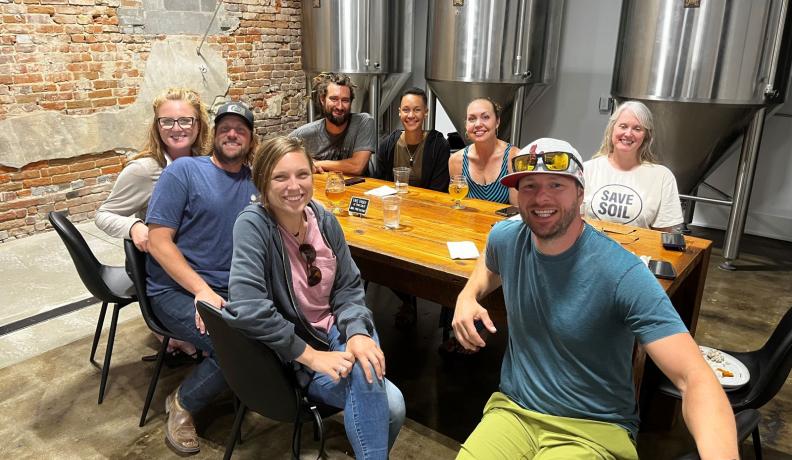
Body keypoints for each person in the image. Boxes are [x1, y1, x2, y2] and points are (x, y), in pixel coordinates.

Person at [452, 137, 738, 459]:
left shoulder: (622, 273)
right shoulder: (506, 237)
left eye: (556, 185)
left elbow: (694, 377)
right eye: (529, 185)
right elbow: (489, 263)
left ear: (580, 192)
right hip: (514, 412)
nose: (541, 197)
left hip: (591, 429)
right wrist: (468, 295)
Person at [224, 136, 405, 459]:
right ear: (263, 182)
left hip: (338, 332)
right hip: (294, 354)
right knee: (391, 405)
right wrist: (310, 356)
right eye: (280, 177)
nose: (294, 186)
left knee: (375, 379)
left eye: (302, 174)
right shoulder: (253, 225)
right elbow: (249, 307)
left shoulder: (323, 219)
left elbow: (349, 287)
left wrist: (359, 333)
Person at [145, 101, 259, 454]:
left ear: (251, 139)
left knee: (277, 329)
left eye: (240, 129)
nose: (232, 134)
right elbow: (157, 241)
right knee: (237, 349)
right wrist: (202, 291)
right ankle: (182, 404)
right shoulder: (184, 172)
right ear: (214, 134)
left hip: (229, 291)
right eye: (225, 127)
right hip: (173, 290)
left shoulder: (255, 181)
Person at [95, 86, 210, 362]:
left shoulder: (205, 162)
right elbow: (104, 214)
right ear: (157, 125)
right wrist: (134, 226)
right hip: (159, 264)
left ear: (199, 124)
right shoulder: (145, 170)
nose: (176, 128)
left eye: (185, 120)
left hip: (195, 257)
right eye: (167, 121)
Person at [584, 100, 683, 231]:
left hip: (637, 251)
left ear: (646, 136)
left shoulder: (662, 177)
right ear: (612, 129)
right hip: (592, 249)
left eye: (637, 129)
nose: (628, 133)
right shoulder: (587, 169)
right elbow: (574, 221)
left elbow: (664, 234)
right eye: (623, 126)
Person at [291, 72, 376, 176]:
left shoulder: (363, 122)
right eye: (334, 99)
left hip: (359, 189)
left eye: (345, 100)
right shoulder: (304, 134)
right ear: (322, 100)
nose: (340, 106)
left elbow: (357, 167)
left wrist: (317, 163)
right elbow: (277, 156)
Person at [375, 87, 451, 191]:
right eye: (406, 110)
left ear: (426, 112)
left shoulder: (439, 146)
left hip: (427, 205)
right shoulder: (387, 146)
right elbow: (379, 185)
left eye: (417, 110)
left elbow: (439, 191)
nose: (411, 115)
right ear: (399, 112)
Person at [448, 97, 516, 205]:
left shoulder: (514, 157)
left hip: (504, 222)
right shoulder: (456, 160)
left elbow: (517, 212)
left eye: (485, 117)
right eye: (472, 119)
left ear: (497, 121)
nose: (478, 124)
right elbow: (459, 205)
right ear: (466, 125)